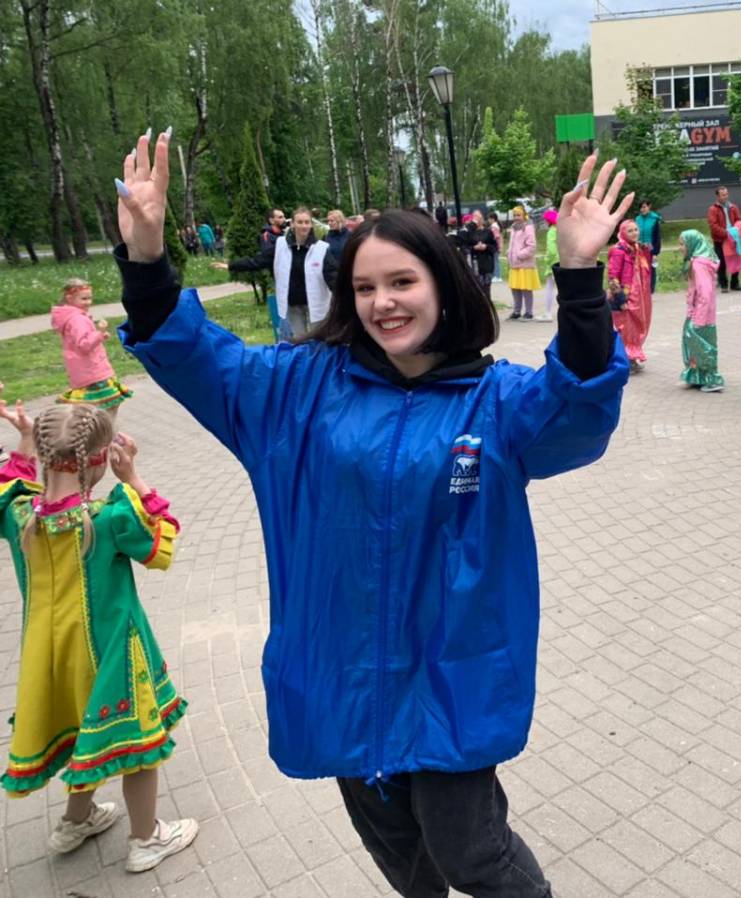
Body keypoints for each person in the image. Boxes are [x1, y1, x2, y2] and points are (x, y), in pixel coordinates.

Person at [113, 130, 632, 897]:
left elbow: (580, 406)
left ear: (444, 285)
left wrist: (580, 275)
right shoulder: (295, 391)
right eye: (364, 288)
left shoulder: (499, 404)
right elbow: (196, 356)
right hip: (341, 675)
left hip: (452, 677)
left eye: (402, 282)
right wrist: (148, 258)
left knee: (471, 855)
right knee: (406, 865)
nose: (383, 303)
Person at [0, 397, 199, 872]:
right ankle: (146, 838)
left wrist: (25, 438)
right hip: (113, 655)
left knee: (80, 730)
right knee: (139, 747)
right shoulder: (109, 518)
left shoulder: (19, 515)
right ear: (100, 460)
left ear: (46, 457)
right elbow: (162, 544)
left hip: (52, 658)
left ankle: (77, 818)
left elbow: (12, 480)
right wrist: (134, 479)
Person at [215, 207, 332, 339]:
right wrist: (232, 265)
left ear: (311, 224)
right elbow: (258, 261)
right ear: (292, 224)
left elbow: (332, 276)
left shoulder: (322, 248)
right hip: (293, 304)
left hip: (317, 304)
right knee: (300, 342)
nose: (303, 226)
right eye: (299, 222)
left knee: (320, 342)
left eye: (307, 222)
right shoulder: (280, 245)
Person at [52, 279, 133, 415]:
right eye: (84, 298)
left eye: (90, 298)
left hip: (83, 371)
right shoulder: (77, 319)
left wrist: (99, 336)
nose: (88, 302)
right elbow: (84, 345)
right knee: (107, 407)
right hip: (93, 371)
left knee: (97, 408)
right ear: (69, 298)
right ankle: (105, 433)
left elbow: (79, 341)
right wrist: (100, 332)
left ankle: (100, 431)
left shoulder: (71, 317)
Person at [678, 229, 724, 393]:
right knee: (693, 343)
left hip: (701, 314)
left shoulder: (699, 264)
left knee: (701, 343)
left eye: (683, 244)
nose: (680, 248)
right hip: (699, 311)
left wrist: (698, 318)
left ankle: (712, 378)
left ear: (692, 244)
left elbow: (705, 292)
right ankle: (697, 375)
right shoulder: (698, 262)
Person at [607, 219, 654, 372]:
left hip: (639, 298)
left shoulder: (637, 249)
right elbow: (613, 277)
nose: (634, 233)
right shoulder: (618, 250)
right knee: (626, 329)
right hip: (625, 297)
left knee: (637, 327)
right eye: (630, 231)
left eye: (636, 229)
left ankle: (632, 357)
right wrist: (620, 298)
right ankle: (625, 359)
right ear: (622, 233)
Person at [506, 205, 540, 321]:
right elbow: (513, 245)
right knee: (515, 289)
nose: (516, 217)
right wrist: (509, 253)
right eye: (514, 215)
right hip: (514, 264)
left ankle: (529, 312)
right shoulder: (514, 228)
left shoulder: (528, 228)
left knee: (526, 289)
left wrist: (520, 254)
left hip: (524, 264)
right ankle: (517, 311)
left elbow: (532, 246)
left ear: (524, 215)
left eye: (518, 215)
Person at [707, 185, 741, 292]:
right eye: (723, 195)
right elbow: (713, 226)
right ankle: (723, 284)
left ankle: (735, 283)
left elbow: (739, 220)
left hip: (734, 238)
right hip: (720, 239)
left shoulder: (733, 207)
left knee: (735, 260)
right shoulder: (713, 209)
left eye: (726, 194)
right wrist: (726, 233)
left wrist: (736, 231)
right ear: (717, 196)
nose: (725, 197)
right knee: (722, 261)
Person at [465, 210, 497, 300]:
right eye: (475, 218)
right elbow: (464, 247)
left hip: (487, 263)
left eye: (479, 218)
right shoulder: (469, 232)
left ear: (482, 219)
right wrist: (474, 248)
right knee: (476, 290)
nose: (477, 220)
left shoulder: (488, 231)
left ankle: (487, 309)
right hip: (474, 263)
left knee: (486, 290)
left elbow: (494, 247)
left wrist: (486, 246)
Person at [635, 200, 663, 292]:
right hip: (639, 246)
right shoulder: (637, 219)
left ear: (649, 206)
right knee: (639, 267)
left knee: (650, 267)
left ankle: (650, 289)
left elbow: (657, 237)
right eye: (641, 207)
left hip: (650, 246)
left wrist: (655, 253)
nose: (642, 209)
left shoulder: (655, 219)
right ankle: (641, 288)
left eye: (644, 207)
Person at [539, 209, 559, 321]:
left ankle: (547, 312)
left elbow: (551, 250)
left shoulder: (551, 231)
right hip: (562, 262)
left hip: (553, 264)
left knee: (549, 288)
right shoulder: (560, 230)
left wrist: (547, 259)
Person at [488, 211, 504, 283]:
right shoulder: (496, 225)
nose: (488, 220)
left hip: (495, 247)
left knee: (495, 261)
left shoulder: (494, 226)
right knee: (495, 261)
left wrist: (498, 246)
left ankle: (497, 276)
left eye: (489, 219)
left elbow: (496, 237)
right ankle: (496, 275)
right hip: (497, 246)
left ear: (493, 219)